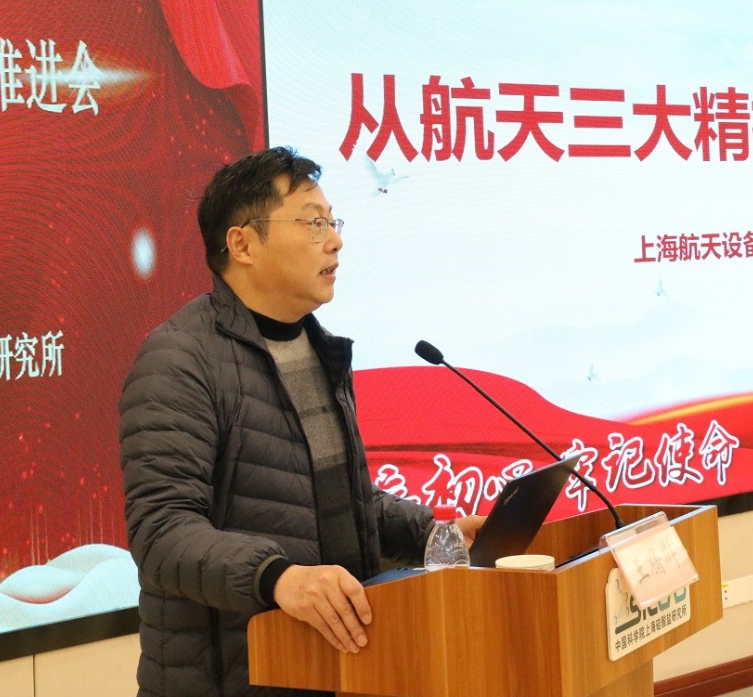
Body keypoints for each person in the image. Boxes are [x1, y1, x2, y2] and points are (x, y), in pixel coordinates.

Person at [120, 147, 482, 697]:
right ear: (242, 244)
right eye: (313, 223)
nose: (334, 240)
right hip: (230, 680)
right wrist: (277, 577)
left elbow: (336, 500)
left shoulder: (317, 349)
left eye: (333, 223)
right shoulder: (180, 358)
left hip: (333, 667)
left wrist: (434, 535)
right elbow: (161, 531)